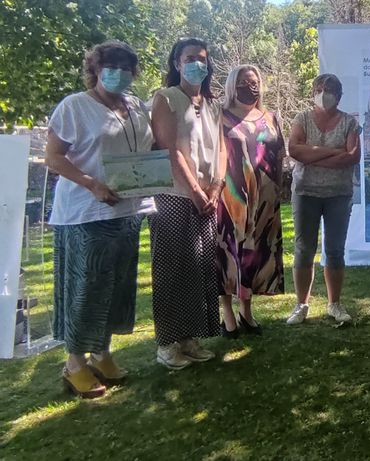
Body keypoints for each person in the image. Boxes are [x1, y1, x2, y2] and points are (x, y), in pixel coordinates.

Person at [46, 41, 154, 397]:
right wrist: (91, 184)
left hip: (127, 209)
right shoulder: (75, 106)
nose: (119, 73)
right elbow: (54, 157)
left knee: (117, 286)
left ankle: (102, 353)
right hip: (85, 213)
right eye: (111, 66)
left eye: (126, 67)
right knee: (87, 288)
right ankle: (74, 363)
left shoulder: (136, 105)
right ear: (95, 68)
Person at [149, 38, 225, 369]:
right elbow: (169, 149)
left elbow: (220, 148)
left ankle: (189, 338)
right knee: (171, 270)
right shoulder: (166, 98)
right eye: (190, 58)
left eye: (202, 59)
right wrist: (195, 190)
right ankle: (167, 344)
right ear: (177, 63)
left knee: (198, 269)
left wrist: (216, 188)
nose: (197, 63)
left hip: (208, 197)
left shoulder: (211, 104)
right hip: (175, 197)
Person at [286, 74, 361, 325]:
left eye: (329, 89)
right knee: (303, 250)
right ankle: (301, 304)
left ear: (339, 95)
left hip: (338, 195)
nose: (323, 93)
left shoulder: (349, 122)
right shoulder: (302, 119)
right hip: (305, 193)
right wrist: (332, 153)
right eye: (319, 88)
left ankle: (335, 304)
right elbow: (295, 150)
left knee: (335, 251)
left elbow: (352, 157)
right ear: (312, 92)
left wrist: (313, 154)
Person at [216, 65, 285, 338]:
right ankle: (227, 313)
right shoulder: (219, 116)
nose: (250, 86)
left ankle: (247, 310)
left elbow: (279, 153)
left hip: (266, 197)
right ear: (233, 85)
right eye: (244, 82)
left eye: (254, 81)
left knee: (254, 254)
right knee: (229, 253)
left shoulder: (270, 117)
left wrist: (279, 187)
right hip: (230, 195)